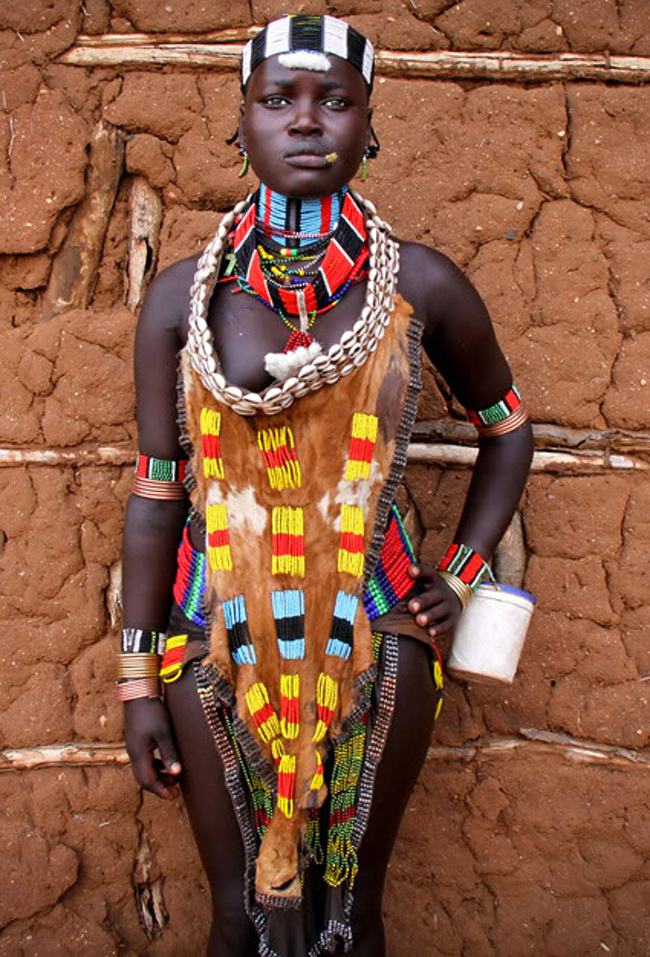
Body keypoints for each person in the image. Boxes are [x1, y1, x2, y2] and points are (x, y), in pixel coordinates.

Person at [119, 14, 533, 957]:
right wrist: (139, 682)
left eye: (335, 102)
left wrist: (460, 571)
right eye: (279, 100)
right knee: (242, 920)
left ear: (370, 127)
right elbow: (156, 498)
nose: (307, 122)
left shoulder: (420, 284)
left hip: (380, 636)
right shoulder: (184, 299)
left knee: (348, 922)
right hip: (209, 643)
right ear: (241, 126)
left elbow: (508, 431)